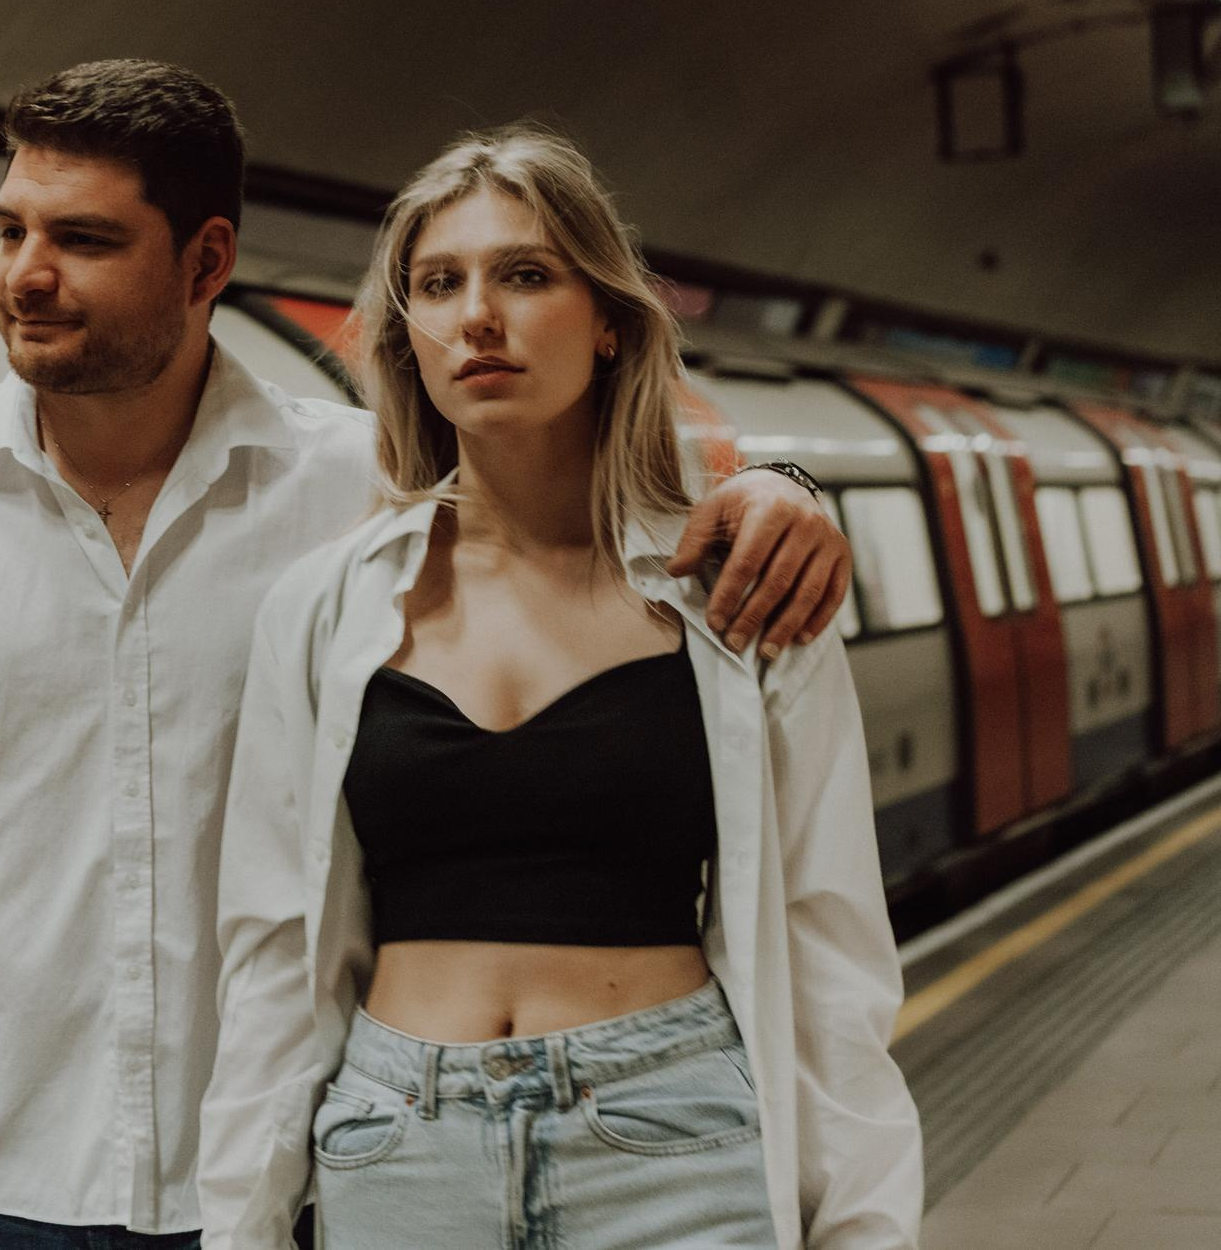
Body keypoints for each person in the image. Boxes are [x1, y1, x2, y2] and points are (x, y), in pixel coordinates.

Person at [0, 66, 855, 1250]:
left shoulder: (367, 495)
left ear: (207, 263)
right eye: (11, 232)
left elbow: (579, 509)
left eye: (84, 239)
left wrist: (786, 488)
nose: (25, 275)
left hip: (303, 1168)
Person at [200, 125, 920, 1250]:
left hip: (671, 1133)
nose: (476, 315)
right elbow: (270, 960)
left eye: (524, 274)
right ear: (410, 339)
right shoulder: (325, 607)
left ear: (610, 324)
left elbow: (829, 949)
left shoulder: (732, 595)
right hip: (397, 1144)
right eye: (439, 285)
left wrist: (867, 1226)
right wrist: (239, 1227)